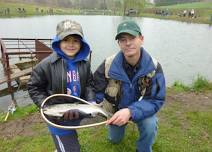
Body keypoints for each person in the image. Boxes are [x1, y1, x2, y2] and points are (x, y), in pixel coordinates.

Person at [93, 20, 166, 152]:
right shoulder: (108, 64)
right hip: (115, 111)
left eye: (132, 38)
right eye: (123, 39)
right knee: (115, 139)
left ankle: (143, 148)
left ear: (141, 39)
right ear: (119, 43)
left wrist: (130, 111)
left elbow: (156, 99)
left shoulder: (154, 67)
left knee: (150, 124)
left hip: (141, 110)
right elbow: (96, 87)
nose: (128, 43)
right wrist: (96, 104)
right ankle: (115, 134)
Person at [28, 19, 95, 152]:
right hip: (57, 118)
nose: (71, 44)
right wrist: (46, 106)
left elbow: (88, 84)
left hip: (77, 113)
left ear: (82, 43)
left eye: (75, 40)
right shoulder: (46, 65)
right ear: (58, 41)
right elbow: (34, 87)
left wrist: (91, 100)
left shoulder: (85, 64)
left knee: (69, 138)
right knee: (72, 148)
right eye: (66, 40)